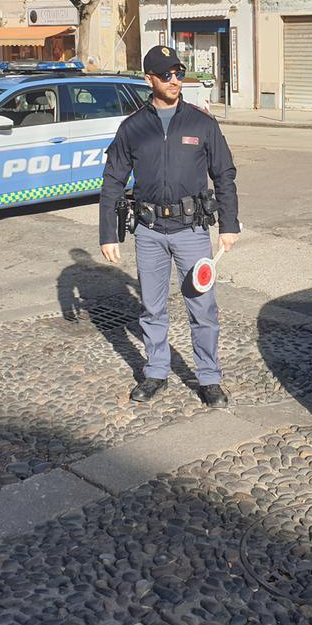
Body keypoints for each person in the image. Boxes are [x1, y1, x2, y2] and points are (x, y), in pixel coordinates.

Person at [99, 45, 240, 408]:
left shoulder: (201, 123)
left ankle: (209, 378)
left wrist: (229, 224)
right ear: (150, 80)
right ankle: (156, 373)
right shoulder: (132, 127)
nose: (175, 80)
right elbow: (113, 179)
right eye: (167, 75)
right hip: (147, 232)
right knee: (151, 307)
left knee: (203, 308)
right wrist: (108, 233)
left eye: (179, 73)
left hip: (192, 231)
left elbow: (224, 174)